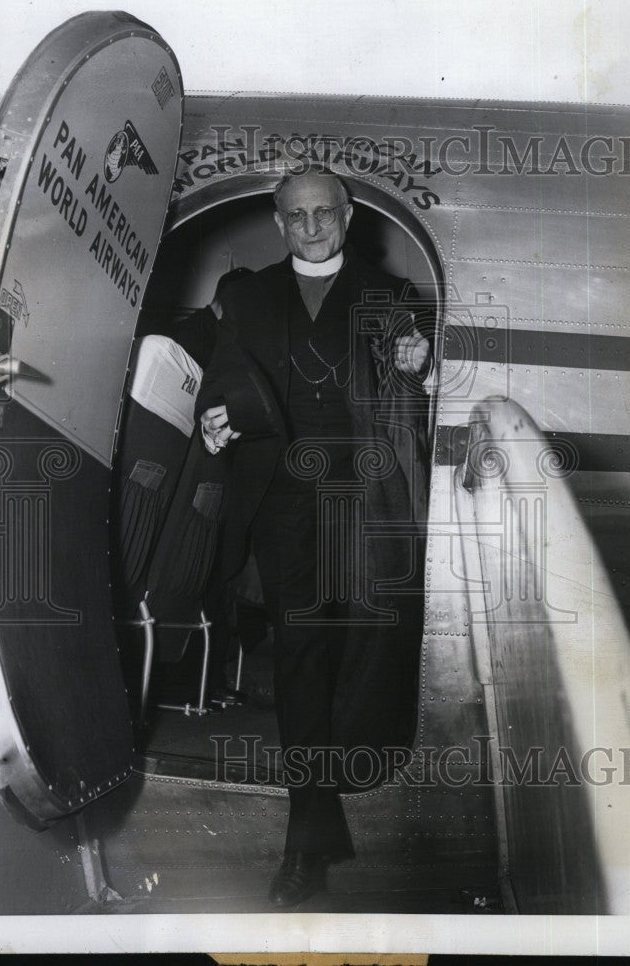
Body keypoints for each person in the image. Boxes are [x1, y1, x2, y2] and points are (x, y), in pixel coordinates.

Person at [196, 166, 432, 907]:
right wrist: (213, 421)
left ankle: (336, 805)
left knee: (361, 653)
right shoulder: (244, 296)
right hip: (284, 505)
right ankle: (305, 843)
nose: (310, 226)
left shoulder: (390, 298)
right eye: (294, 215)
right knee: (301, 656)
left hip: (363, 502)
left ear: (349, 214)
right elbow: (218, 386)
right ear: (278, 223)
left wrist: (415, 369)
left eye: (323, 212)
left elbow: (406, 369)